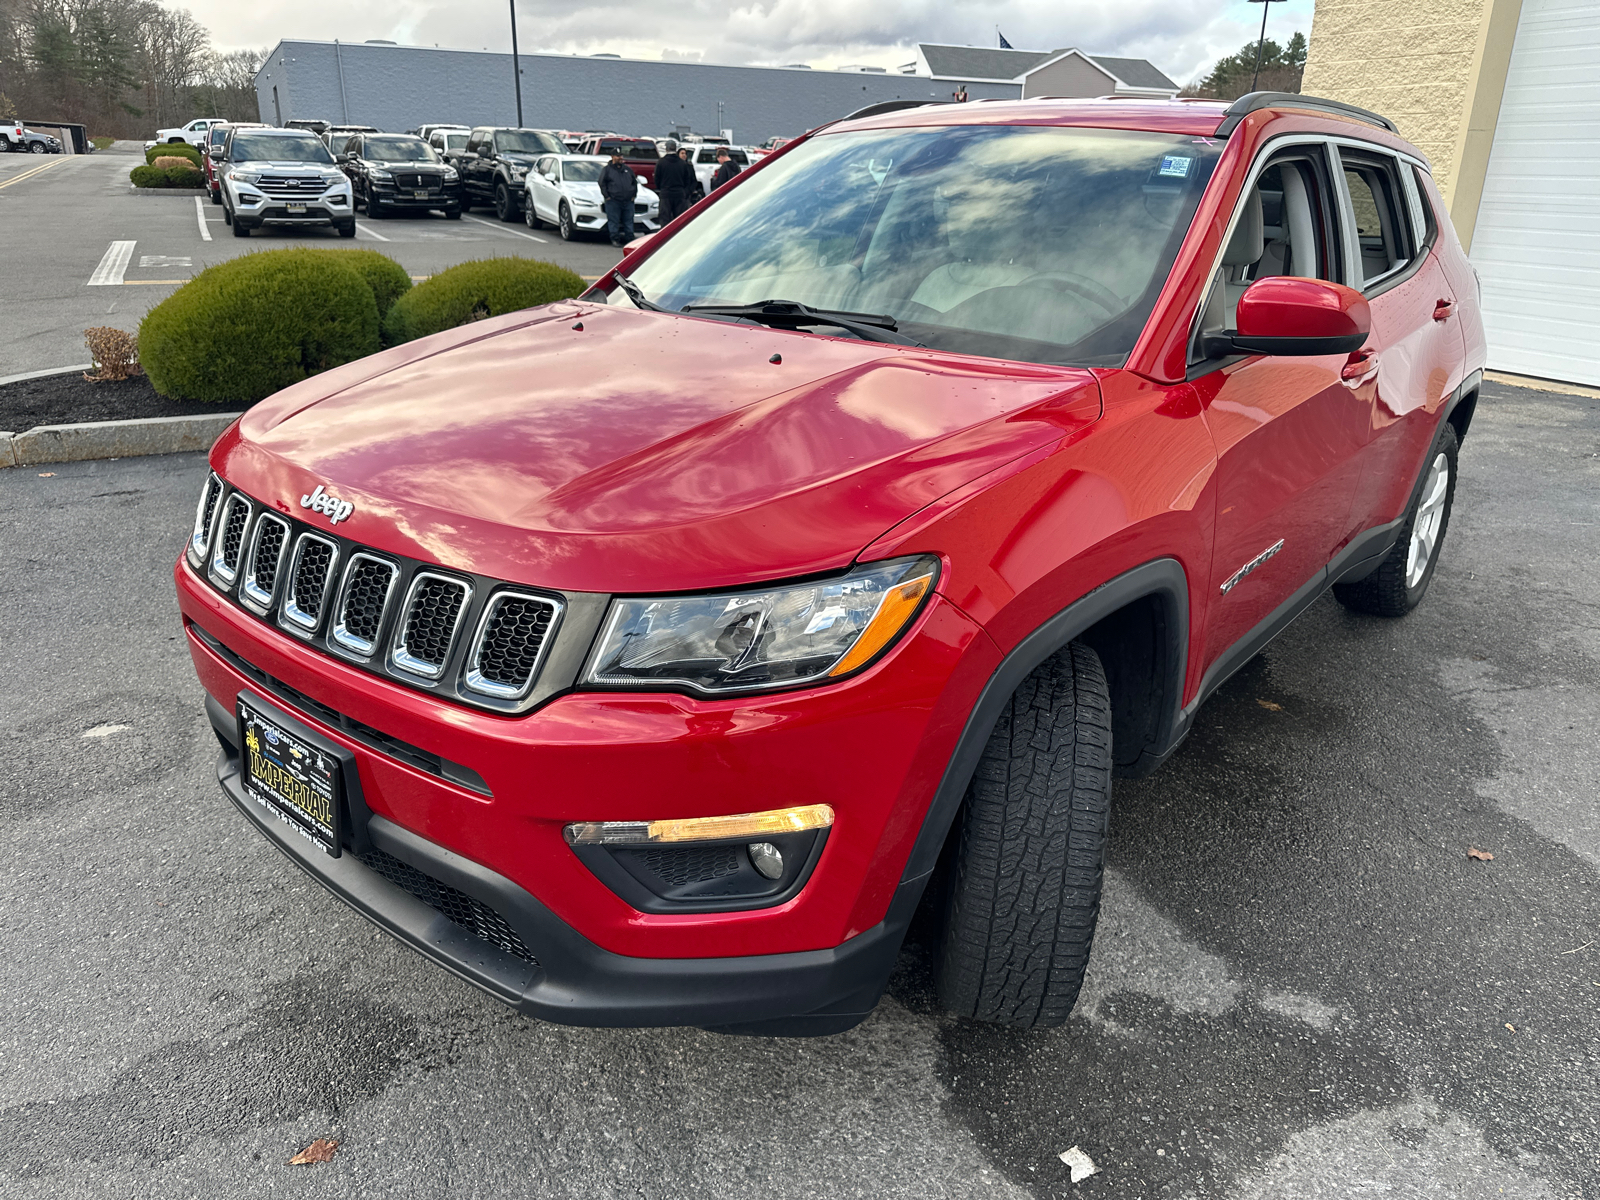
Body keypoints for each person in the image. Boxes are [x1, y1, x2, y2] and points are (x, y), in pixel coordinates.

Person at [598, 151, 638, 247]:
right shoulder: (607, 170)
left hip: (628, 201)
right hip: (613, 201)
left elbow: (634, 182)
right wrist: (607, 196)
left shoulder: (627, 169)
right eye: (617, 156)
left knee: (629, 221)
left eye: (621, 155)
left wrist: (633, 195)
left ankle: (630, 240)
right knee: (614, 222)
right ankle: (615, 239)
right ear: (612, 157)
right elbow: (601, 183)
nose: (620, 158)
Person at [655, 145, 693, 223]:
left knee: (665, 218)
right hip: (679, 193)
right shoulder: (682, 163)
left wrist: (661, 188)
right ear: (676, 150)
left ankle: (665, 234)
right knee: (679, 220)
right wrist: (684, 192)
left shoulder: (661, 162)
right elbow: (687, 180)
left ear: (666, 149)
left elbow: (657, 179)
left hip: (666, 193)